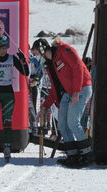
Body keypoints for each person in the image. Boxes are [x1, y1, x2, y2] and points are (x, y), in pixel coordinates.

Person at [37, 38, 93, 167]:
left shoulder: (64, 50)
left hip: (81, 88)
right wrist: (45, 106)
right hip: (69, 92)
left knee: (73, 122)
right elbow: (55, 88)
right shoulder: (53, 63)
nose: (39, 58)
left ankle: (87, 155)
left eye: (38, 54)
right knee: (62, 125)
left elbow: (78, 67)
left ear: (43, 50)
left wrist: (77, 91)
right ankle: (73, 155)